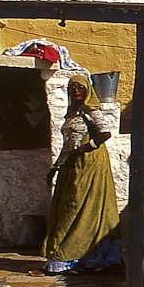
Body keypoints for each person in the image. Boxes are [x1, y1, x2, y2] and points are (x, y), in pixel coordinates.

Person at [40, 74, 122, 274]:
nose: (76, 91)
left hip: (90, 165)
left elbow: (105, 133)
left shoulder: (89, 110)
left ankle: (66, 259)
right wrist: (56, 167)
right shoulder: (72, 112)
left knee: (78, 209)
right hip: (72, 166)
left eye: (80, 87)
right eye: (72, 87)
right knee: (68, 208)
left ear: (87, 90)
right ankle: (70, 259)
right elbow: (68, 145)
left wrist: (85, 148)